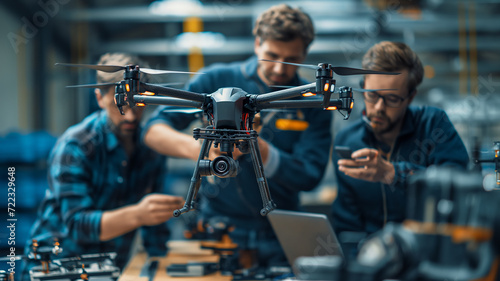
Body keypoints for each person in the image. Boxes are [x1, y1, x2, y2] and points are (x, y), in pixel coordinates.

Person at [144, 4, 332, 266]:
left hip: (280, 231)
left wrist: (259, 150)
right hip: (218, 229)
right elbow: (153, 131)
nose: (279, 68)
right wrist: (206, 150)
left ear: (305, 54)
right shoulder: (216, 80)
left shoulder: (312, 100)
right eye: (272, 55)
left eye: (290, 60)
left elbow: (310, 175)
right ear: (257, 43)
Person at [25, 53, 184, 271]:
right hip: (55, 267)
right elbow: (78, 225)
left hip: (110, 269)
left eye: (138, 104)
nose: (130, 116)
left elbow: (154, 225)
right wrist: (138, 215)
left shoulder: (151, 148)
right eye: (119, 105)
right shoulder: (76, 146)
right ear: (99, 98)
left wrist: (159, 261)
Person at [331, 41, 469, 257]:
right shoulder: (347, 140)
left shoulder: (434, 124)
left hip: (429, 259)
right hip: (371, 263)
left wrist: (392, 173)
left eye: (392, 99)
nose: (379, 108)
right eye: (372, 95)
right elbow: (348, 225)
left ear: (410, 97)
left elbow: (459, 187)